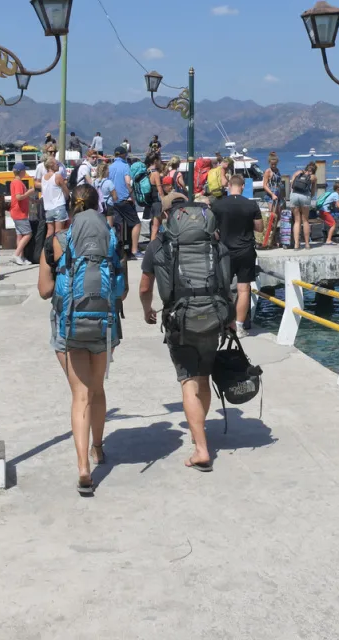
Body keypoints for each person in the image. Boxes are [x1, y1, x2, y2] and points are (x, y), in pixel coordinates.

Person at [37, 183, 124, 495]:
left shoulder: (56, 241)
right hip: (104, 326)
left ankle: (83, 468)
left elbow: (45, 290)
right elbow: (120, 289)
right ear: (97, 204)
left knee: (80, 395)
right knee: (97, 390)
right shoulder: (110, 239)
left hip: (69, 325)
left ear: (71, 206)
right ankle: (97, 449)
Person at [139, 193, 233, 472]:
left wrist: (147, 309)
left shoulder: (159, 245)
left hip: (181, 320)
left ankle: (201, 448)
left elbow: (145, 286)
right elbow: (226, 281)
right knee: (203, 376)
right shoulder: (213, 243)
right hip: (213, 316)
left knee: (188, 380)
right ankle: (198, 430)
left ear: (168, 215)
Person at [211, 174, 263, 338]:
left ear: (229, 186)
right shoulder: (251, 204)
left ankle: (223, 324)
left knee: (222, 288)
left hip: (224, 251)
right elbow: (260, 228)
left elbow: (211, 228)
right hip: (245, 250)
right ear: (242, 187)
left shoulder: (218, 205)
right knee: (243, 289)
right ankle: (239, 327)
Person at [110, 145, 142, 259]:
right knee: (136, 223)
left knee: (119, 225)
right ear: (124, 155)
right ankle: (134, 250)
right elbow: (128, 182)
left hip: (113, 200)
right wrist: (132, 195)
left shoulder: (110, 167)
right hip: (124, 199)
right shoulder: (125, 166)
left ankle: (119, 250)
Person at [10, 162, 35, 265]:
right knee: (28, 234)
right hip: (20, 212)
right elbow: (19, 197)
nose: (25, 172)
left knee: (20, 235)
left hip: (16, 211)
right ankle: (16, 255)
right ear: (21, 172)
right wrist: (29, 192)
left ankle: (21, 256)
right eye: (25, 170)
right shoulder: (18, 183)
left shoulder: (14, 182)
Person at [290, 161, 317, 250]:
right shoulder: (313, 177)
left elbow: (291, 184)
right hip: (305, 196)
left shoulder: (298, 172)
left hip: (294, 195)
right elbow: (313, 191)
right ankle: (307, 244)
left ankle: (296, 245)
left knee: (297, 221)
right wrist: (310, 197)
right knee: (305, 220)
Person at [41, 157, 70, 237]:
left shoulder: (43, 178)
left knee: (50, 232)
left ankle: (47, 248)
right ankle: (58, 249)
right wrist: (68, 198)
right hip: (58, 206)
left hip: (48, 208)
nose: (58, 166)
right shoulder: (57, 176)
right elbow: (66, 190)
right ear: (51, 166)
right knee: (59, 232)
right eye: (57, 164)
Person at [144, 152, 164, 241]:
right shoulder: (155, 173)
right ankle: (152, 248)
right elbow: (159, 190)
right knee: (156, 227)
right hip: (156, 202)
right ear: (155, 161)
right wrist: (164, 201)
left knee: (153, 225)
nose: (160, 162)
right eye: (159, 160)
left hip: (149, 202)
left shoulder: (146, 171)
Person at [92, 160, 118, 227]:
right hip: (108, 205)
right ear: (105, 171)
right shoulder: (109, 183)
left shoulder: (94, 182)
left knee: (100, 226)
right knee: (109, 227)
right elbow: (115, 197)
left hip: (98, 206)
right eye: (108, 170)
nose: (109, 172)